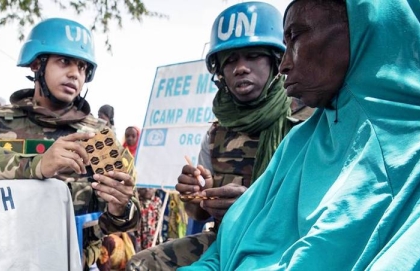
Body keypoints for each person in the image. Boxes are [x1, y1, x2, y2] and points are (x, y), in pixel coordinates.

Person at [179, 0, 420, 270]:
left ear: (361, 28)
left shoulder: (412, 157)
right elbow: (228, 246)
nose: (286, 64)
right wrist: (202, 198)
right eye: (230, 61)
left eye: (295, 37)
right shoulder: (299, 141)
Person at [127, 2, 313, 270]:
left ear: (276, 61)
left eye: (252, 56)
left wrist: (252, 204)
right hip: (226, 240)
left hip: (290, 244)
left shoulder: (308, 120)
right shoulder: (216, 133)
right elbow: (199, 214)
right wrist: (200, 194)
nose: (240, 68)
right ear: (220, 72)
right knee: (141, 264)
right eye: (231, 60)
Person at [0, 18, 140, 270]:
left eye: (82, 67)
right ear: (37, 63)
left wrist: (119, 208)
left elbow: (127, 219)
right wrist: (37, 165)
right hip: (3, 260)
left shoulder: (98, 135)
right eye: (64, 62)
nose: (74, 73)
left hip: (75, 261)